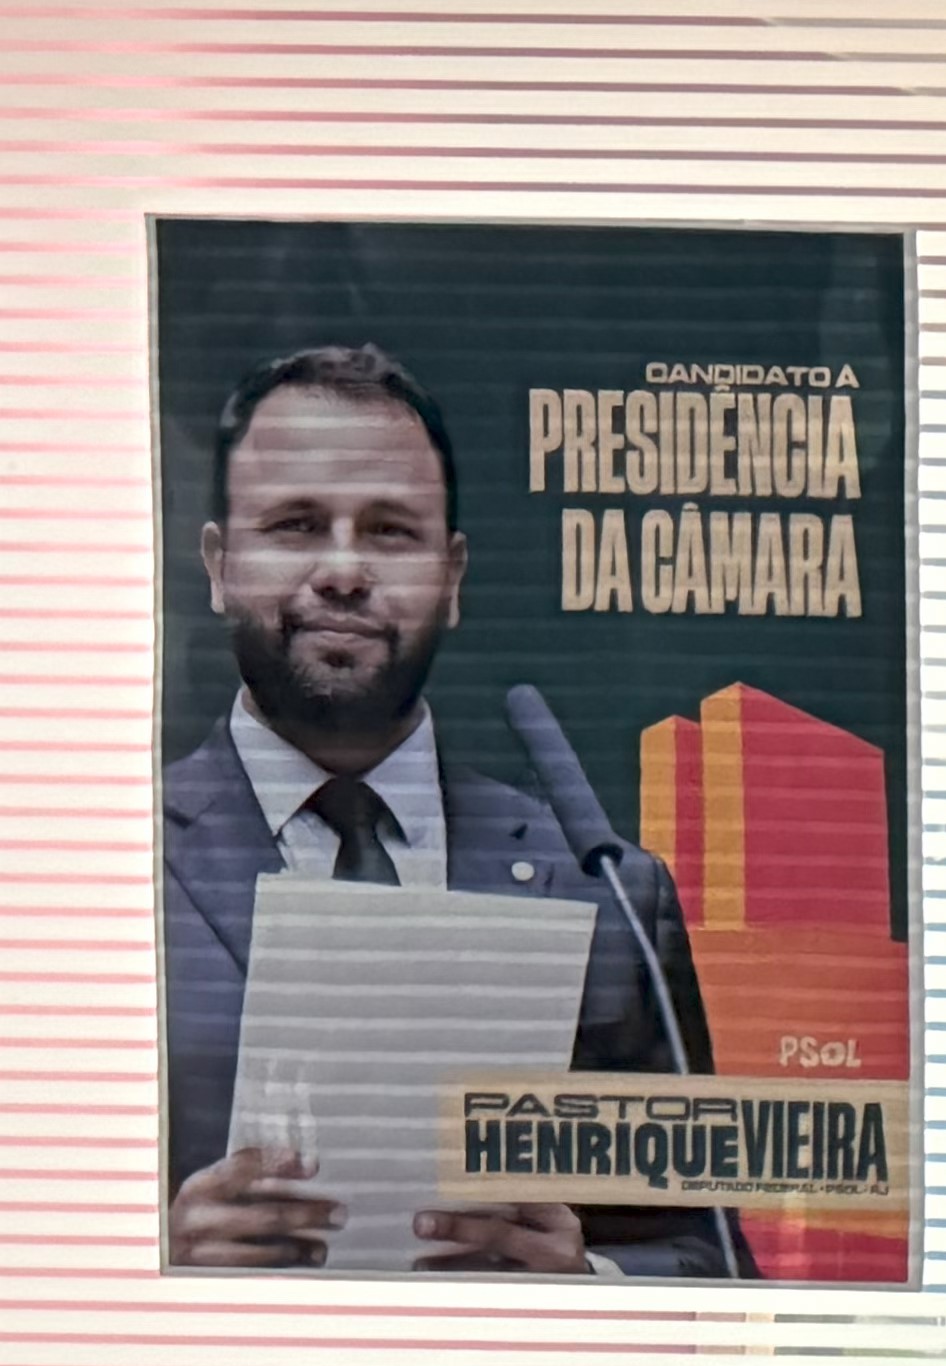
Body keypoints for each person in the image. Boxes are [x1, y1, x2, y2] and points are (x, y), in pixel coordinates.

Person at [161, 342, 719, 1273]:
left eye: (389, 530)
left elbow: (703, 1250)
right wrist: (145, 1257)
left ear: (452, 576)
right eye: (296, 524)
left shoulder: (610, 895)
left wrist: (589, 1279)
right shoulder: (92, 868)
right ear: (218, 564)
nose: (343, 570)